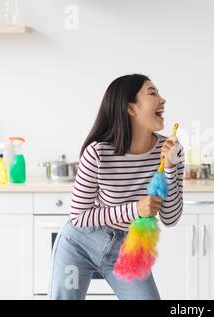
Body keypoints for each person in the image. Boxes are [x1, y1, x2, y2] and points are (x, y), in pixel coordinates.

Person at [49, 74, 184, 299]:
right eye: (153, 93)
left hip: (128, 248)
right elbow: (79, 216)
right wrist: (135, 209)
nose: (163, 100)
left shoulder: (170, 150)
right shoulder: (98, 152)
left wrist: (169, 166)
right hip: (79, 244)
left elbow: (170, 218)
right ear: (131, 108)